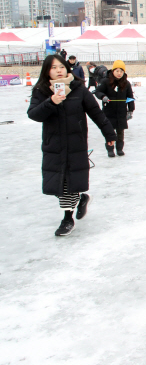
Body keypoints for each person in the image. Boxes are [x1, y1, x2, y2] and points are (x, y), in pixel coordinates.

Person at [28, 54, 116, 236]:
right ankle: (81, 197)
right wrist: (51, 102)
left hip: (76, 143)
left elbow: (96, 113)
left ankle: (67, 218)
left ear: (67, 68)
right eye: (53, 68)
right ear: (47, 71)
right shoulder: (41, 91)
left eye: (61, 66)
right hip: (54, 145)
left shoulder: (78, 89)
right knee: (56, 183)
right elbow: (34, 114)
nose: (58, 70)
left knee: (67, 183)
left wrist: (109, 133)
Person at [95, 60, 135, 157]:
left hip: (121, 112)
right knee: (109, 132)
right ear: (113, 71)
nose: (119, 73)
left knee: (120, 132)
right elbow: (97, 92)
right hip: (109, 112)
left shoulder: (126, 83)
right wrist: (103, 97)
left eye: (121, 71)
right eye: (117, 71)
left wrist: (130, 110)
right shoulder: (106, 81)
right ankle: (110, 149)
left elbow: (130, 97)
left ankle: (119, 149)